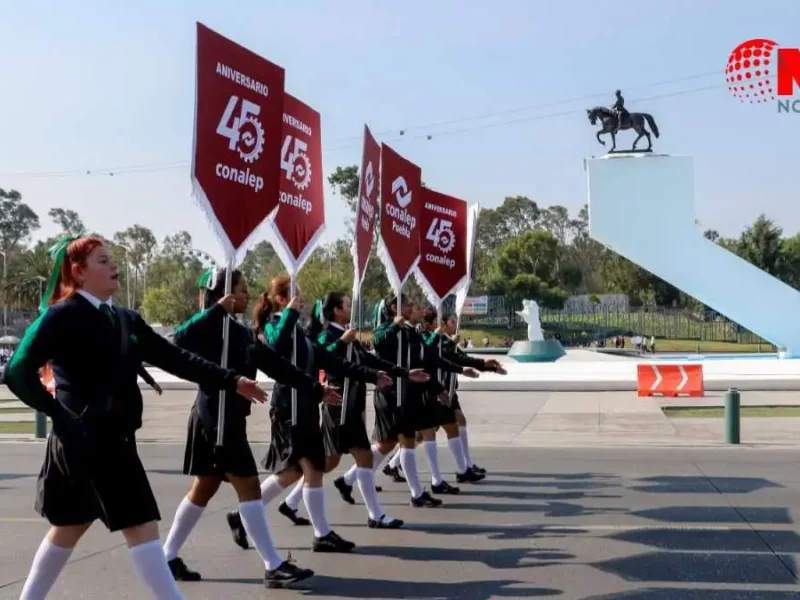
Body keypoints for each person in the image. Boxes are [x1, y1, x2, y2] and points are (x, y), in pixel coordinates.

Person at [4, 236, 268, 600]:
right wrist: (58, 415)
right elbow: (17, 372)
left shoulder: (124, 318)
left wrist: (231, 380)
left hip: (108, 439)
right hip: (90, 443)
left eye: (112, 259)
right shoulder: (63, 315)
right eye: (102, 260)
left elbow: (174, 358)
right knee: (141, 528)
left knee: (69, 527)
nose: (114, 266)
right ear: (78, 273)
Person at [161, 268, 338, 588]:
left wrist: (316, 389)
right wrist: (215, 310)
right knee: (250, 489)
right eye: (241, 290)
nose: (246, 295)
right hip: (216, 419)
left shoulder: (240, 332)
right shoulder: (212, 325)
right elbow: (178, 340)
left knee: (203, 489)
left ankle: (167, 557)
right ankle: (273, 565)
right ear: (223, 293)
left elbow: (276, 365)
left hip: (227, 418)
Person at [244, 274, 388, 553]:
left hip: (307, 407)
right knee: (312, 469)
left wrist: (373, 375)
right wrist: (288, 314)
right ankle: (321, 534)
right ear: (281, 300)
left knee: (297, 471)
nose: (302, 300)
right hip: (289, 409)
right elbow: (277, 347)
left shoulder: (301, 331)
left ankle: (243, 514)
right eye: (295, 295)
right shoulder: (275, 326)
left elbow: (331, 361)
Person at [305, 292, 430, 525]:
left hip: (352, 407)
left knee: (363, 458)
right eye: (347, 305)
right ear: (336, 310)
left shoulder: (349, 334)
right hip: (336, 406)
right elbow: (321, 358)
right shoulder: (328, 334)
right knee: (327, 463)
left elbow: (370, 360)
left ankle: (376, 516)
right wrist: (342, 341)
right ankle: (288, 502)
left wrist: (404, 373)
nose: (351, 307)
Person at [369, 294, 476, 507]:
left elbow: (429, 359)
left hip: (406, 394)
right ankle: (356, 479)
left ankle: (416, 493)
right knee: (393, 443)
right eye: (409, 305)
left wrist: (455, 374)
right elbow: (378, 343)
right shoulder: (385, 328)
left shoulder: (410, 333)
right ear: (394, 308)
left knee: (400, 443)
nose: (413, 308)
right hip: (390, 394)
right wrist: (394, 326)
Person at [422, 309, 508, 478]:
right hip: (437, 390)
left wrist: (487, 365)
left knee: (453, 424)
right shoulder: (430, 338)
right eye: (452, 322)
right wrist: (447, 344)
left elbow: (463, 358)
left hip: (449, 390)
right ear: (438, 324)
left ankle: (465, 466)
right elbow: (445, 357)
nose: (456, 325)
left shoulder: (447, 340)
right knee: (427, 432)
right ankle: (461, 469)